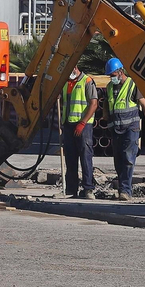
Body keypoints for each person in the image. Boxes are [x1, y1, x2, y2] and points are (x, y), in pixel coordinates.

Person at [102, 57, 145, 200]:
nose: (111, 78)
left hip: (130, 128)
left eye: (112, 76)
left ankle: (126, 191)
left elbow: (144, 106)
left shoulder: (132, 85)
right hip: (115, 129)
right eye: (110, 76)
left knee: (128, 159)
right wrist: (105, 115)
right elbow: (107, 103)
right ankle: (122, 189)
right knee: (118, 160)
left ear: (120, 72)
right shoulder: (109, 87)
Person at [58, 66, 98, 198]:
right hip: (69, 124)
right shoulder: (65, 83)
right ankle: (71, 189)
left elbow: (93, 104)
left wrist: (83, 122)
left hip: (83, 125)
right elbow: (63, 102)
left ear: (75, 68)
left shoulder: (87, 81)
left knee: (85, 156)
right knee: (70, 158)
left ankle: (88, 189)